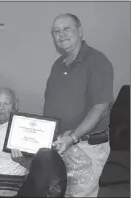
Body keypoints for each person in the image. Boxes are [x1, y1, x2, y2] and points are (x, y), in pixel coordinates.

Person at [44, 13, 114, 197]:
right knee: (61, 193)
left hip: (85, 147)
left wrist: (73, 137)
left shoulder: (97, 61)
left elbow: (100, 108)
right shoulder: (58, 65)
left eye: (66, 28)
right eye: (56, 31)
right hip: (62, 145)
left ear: (80, 31)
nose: (61, 34)